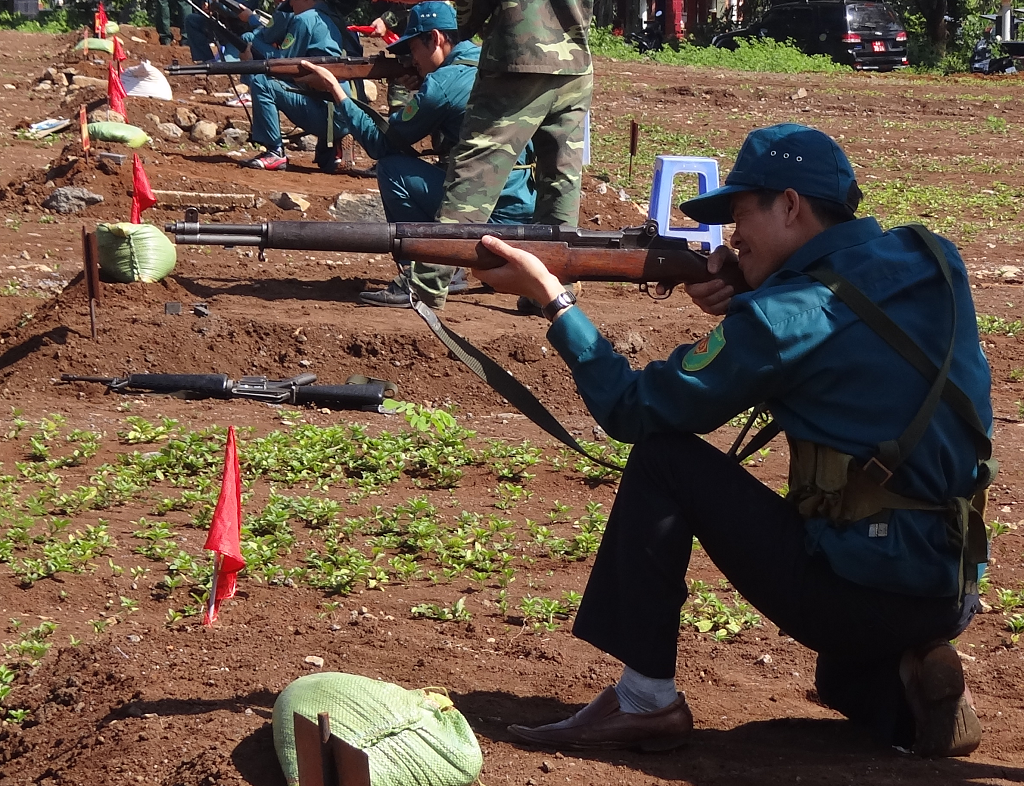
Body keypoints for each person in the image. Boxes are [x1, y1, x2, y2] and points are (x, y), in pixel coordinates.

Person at [471, 124, 993, 758]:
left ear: (791, 205)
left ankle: (645, 702)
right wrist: (760, 285)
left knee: (664, 457)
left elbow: (635, 409)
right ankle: (909, 675)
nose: (730, 237)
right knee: (849, 687)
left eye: (741, 214)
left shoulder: (780, 319)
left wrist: (553, 300)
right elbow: (854, 330)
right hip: (950, 582)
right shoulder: (935, 257)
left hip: (860, 592)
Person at [296, 1, 536, 307]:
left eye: (413, 49)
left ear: (434, 39)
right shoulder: (487, 61)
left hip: (490, 212)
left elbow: (379, 143)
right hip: (522, 204)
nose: (410, 59)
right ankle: (450, 271)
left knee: (391, 169)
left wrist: (336, 90)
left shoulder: (441, 86)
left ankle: (420, 273)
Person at [359, 0, 594, 311]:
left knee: (474, 171)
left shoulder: (451, 71)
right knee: (561, 177)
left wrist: (467, 25)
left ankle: (427, 280)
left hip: (518, 55)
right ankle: (551, 287)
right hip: (575, 58)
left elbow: (467, 11)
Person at [238, 0, 348, 172]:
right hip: (342, 110)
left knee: (262, 82)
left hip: (328, 114)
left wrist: (252, 49)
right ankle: (335, 142)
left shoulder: (305, 19)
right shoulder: (330, 15)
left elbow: (283, 65)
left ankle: (275, 152)